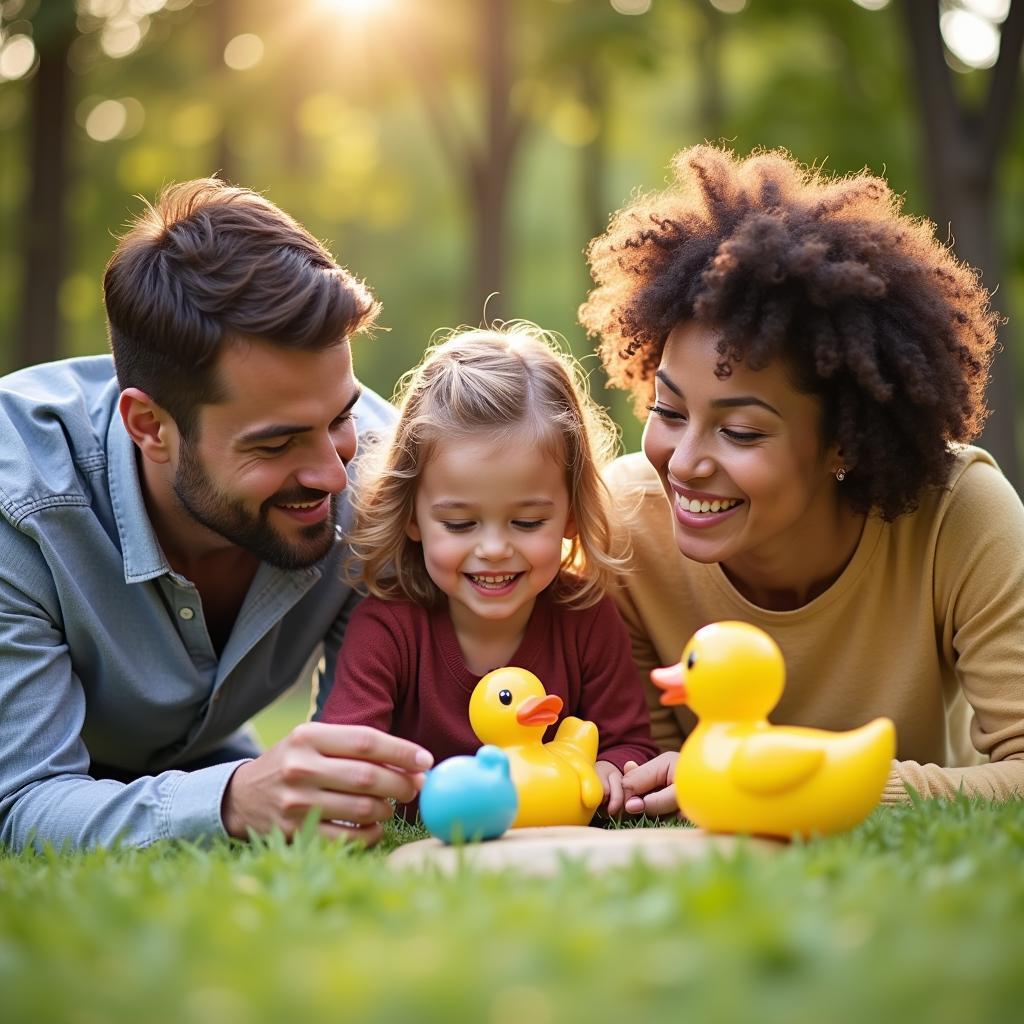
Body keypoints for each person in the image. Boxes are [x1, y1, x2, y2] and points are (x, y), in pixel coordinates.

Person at [577, 144, 1024, 816]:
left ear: (842, 439)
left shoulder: (960, 516)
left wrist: (823, 789)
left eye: (742, 431)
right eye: (670, 412)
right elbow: (653, 767)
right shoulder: (627, 525)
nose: (687, 460)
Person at [0, 178, 433, 853]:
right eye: (277, 441)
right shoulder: (21, 504)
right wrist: (230, 800)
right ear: (150, 426)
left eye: (340, 417)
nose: (332, 472)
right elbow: (21, 802)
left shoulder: (386, 473)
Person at [319, 325, 658, 815]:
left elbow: (629, 746)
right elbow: (351, 751)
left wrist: (609, 772)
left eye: (526, 521)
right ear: (412, 516)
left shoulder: (586, 619)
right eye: (460, 524)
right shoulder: (387, 628)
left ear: (569, 513)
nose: (495, 549)